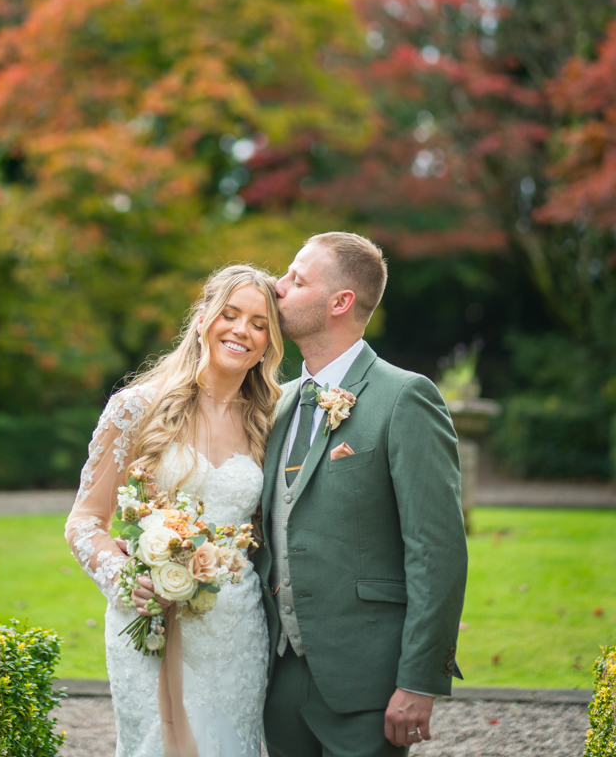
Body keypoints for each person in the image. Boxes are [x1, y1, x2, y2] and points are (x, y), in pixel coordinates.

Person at [256, 231, 468, 757]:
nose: (276, 287)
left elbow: (436, 550)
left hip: (368, 683)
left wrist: (419, 681)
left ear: (341, 302)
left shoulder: (405, 398)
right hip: (276, 676)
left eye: (296, 279)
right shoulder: (274, 404)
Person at [65, 264, 285, 757]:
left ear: (270, 341)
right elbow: (83, 523)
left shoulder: (268, 421)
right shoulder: (135, 407)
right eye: (230, 314)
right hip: (152, 623)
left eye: (259, 323)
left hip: (237, 630)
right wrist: (127, 577)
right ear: (203, 316)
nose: (241, 331)